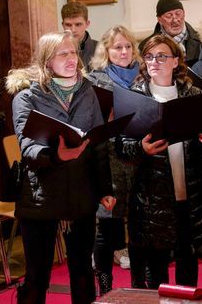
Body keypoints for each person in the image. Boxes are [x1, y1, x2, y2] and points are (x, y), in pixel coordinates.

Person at [6, 32, 114, 304]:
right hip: (41, 197)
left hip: (81, 194)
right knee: (37, 276)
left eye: (73, 53)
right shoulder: (26, 97)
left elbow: (98, 145)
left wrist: (104, 189)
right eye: (62, 54)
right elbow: (27, 149)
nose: (71, 59)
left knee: (81, 272)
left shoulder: (86, 90)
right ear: (46, 61)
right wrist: (56, 156)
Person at [118, 35, 202, 292]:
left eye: (162, 56)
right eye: (150, 56)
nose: (155, 61)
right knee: (157, 270)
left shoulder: (194, 94)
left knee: (187, 263)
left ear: (176, 61)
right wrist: (141, 148)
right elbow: (120, 146)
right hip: (152, 196)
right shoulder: (135, 96)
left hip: (189, 190)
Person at [84, 25, 142, 294]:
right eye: (118, 47)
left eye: (128, 46)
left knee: (139, 226)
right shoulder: (95, 81)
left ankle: (139, 286)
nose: (124, 52)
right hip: (109, 159)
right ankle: (105, 284)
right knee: (107, 225)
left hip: (138, 156)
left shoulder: (142, 77)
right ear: (106, 51)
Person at [150, 0, 202, 66]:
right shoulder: (148, 46)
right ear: (159, 20)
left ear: (184, 14)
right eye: (169, 15)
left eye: (178, 14)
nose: (175, 20)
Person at [62, 1, 98, 66]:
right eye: (68, 25)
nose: (73, 30)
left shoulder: (101, 49)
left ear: (87, 24)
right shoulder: (54, 51)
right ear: (63, 25)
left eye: (78, 24)